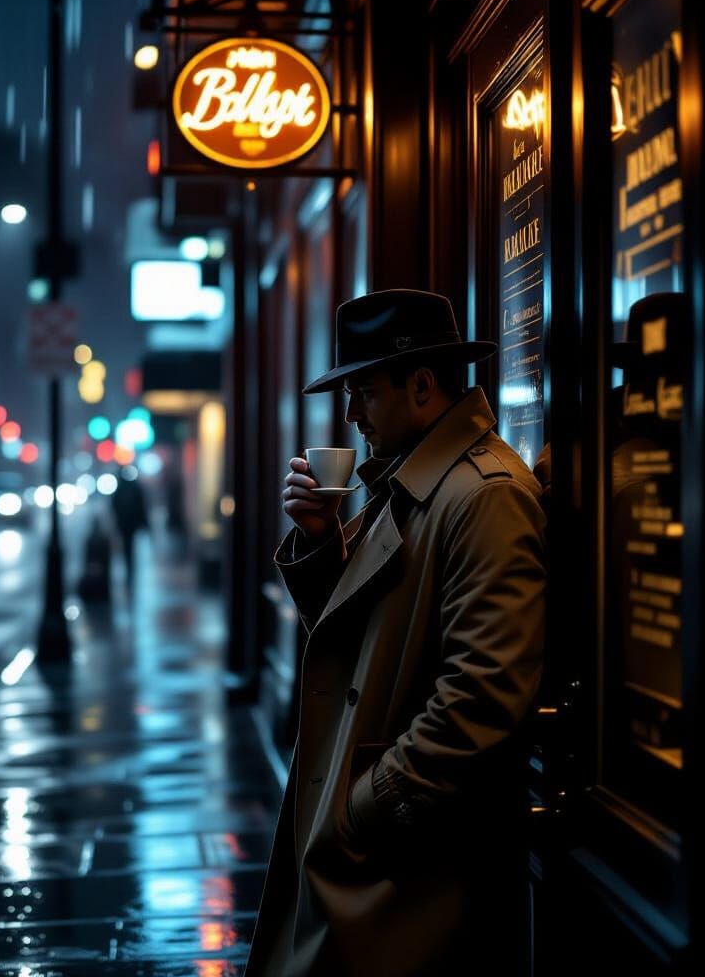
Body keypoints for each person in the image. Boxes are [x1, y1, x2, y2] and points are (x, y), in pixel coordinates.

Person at [245, 289, 547, 977]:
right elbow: (366, 638)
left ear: (420, 385)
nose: (351, 414)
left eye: (363, 392)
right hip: (382, 855)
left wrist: (360, 810)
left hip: (410, 868)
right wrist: (321, 541)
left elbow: (483, 694)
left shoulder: (483, 493)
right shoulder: (415, 486)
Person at [111, 466, 149, 590]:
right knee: (130, 547)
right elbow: (141, 506)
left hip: (124, 524)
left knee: (126, 547)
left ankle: (129, 570)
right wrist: (143, 523)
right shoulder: (134, 487)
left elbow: (114, 506)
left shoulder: (120, 488)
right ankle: (130, 570)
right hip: (131, 524)